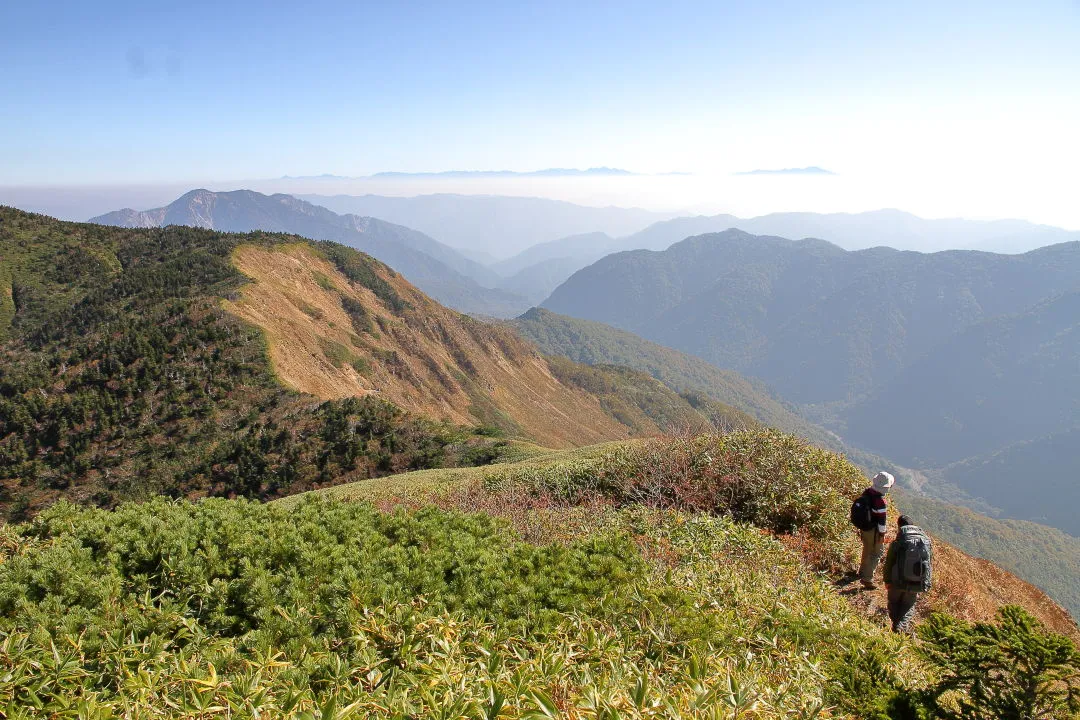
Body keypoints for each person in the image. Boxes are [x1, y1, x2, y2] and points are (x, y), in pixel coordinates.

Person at [883, 515, 933, 633]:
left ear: (899, 526)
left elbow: (889, 562)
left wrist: (887, 580)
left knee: (894, 602)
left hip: (897, 580)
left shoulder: (899, 542)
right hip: (917, 582)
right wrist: (926, 582)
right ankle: (901, 627)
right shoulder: (925, 541)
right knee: (908, 606)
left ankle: (895, 625)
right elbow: (929, 563)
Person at [857, 471, 893, 589]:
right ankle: (867, 579)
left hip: (864, 527)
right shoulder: (880, 501)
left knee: (867, 549)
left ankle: (861, 571)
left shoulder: (867, 492)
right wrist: (882, 534)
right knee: (877, 553)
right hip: (874, 530)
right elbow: (881, 521)